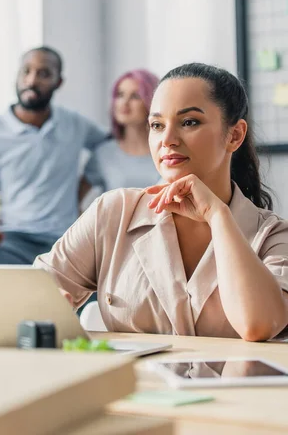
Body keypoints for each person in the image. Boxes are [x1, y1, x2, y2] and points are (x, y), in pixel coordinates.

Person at [34, 63, 288, 341]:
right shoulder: (113, 212)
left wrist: (217, 215)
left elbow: (258, 325)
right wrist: (42, 303)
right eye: (156, 125)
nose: (167, 140)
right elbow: (30, 292)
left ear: (235, 135)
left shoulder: (273, 236)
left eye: (189, 122)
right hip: (133, 385)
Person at [0, 46, 106, 265]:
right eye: (26, 71)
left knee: (106, 285)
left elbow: (112, 147)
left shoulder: (75, 124)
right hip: (11, 240)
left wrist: (86, 184)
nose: (31, 81)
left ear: (58, 82)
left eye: (44, 74)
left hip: (66, 240)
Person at [79, 69, 161, 202]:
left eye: (135, 96)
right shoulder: (103, 153)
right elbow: (75, 201)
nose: (124, 102)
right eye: (120, 95)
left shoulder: (167, 151)